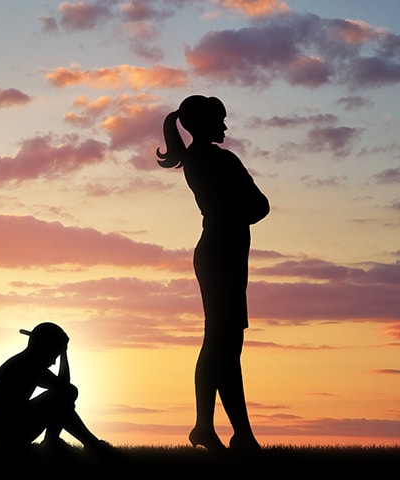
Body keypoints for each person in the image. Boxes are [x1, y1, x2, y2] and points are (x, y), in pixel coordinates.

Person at [156, 95, 269, 453]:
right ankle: (217, 429)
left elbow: (251, 207)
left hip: (222, 253)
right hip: (222, 255)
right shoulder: (218, 159)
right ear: (202, 124)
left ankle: (235, 433)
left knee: (224, 346)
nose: (224, 126)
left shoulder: (195, 159)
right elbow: (258, 206)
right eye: (219, 120)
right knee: (222, 345)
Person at [0, 322, 112, 455]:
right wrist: (64, 352)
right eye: (54, 354)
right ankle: (82, 444)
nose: (53, 362)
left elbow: (64, 389)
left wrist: (62, 351)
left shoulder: (24, 362)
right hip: (5, 439)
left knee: (64, 397)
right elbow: (65, 388)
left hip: (3, 436)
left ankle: (74, 443)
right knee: (65, 395)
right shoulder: (28, 366)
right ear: (44, 348)